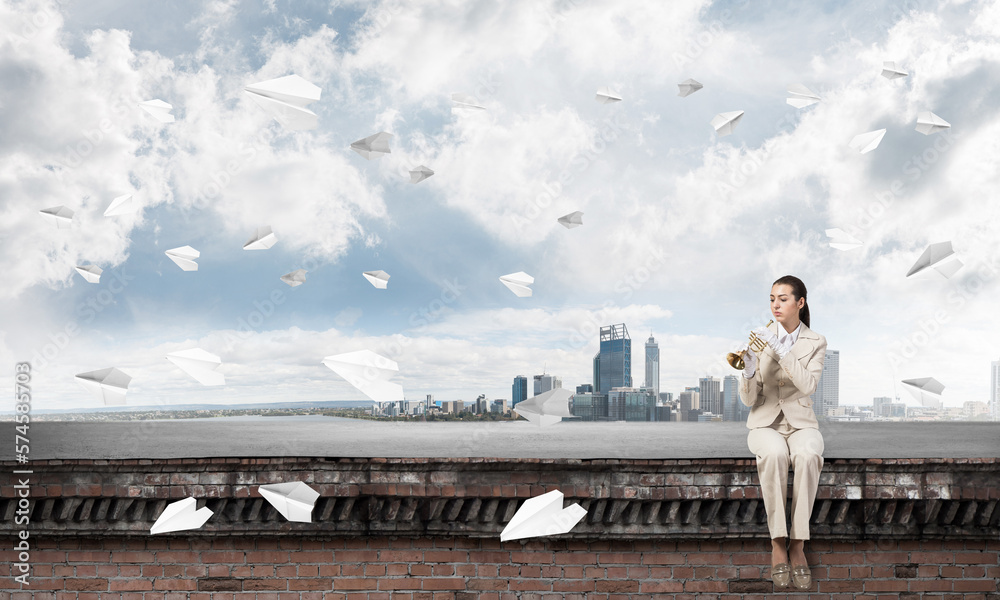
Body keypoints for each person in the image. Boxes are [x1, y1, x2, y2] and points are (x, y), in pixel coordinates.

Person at [737, 275, 827, 591]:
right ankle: (778, 542)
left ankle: (798, 544)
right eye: (772, 298)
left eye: (783, 298)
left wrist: (779, 348)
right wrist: (748, 371)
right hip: (765, 423)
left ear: (800, 303)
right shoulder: (758, 340)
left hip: (802, 422)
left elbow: (808, 385)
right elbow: (750, 399)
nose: (776, 304)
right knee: (774, 454)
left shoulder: (816, 342)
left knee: (809, 453)